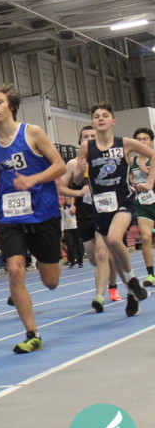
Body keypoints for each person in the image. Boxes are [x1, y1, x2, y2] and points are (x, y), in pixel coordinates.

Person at [0, 84, 65, 353]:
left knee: (51, 281)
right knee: (14, 270)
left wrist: (33, 179)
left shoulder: (32, 132)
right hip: (11, 216)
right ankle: (32, 333)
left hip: (43, 213)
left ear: (10, 106)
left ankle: (39, 268)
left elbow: (59, 165)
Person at [73, 103, 155, 316]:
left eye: (105, 115)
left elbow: (153, 155)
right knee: (115, 249)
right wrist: (79, 171)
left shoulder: (125, 143)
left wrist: (150, 182)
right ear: (93, 122)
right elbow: (77, 180)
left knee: (114, 239)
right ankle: (132, 290)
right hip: (101, 206)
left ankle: (132, 281)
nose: (100, 118)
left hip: (123, 200)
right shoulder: (86, 148)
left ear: (113, 121)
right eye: (96, 116)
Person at [58, 125, 116, 312]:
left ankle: (103, 293)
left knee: (102, 254)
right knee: (93, 258)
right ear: (79, 141)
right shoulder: (73, 163)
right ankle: (109, 279)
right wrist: (78, 192)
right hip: (84, 215)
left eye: (93, 136)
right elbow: (62, 188)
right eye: (85, 136)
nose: (89, 139)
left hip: (105, 212)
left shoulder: (107, 159)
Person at [130, 127, 155, 286]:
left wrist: (148, 173)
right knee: (145, 237)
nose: (142, 142)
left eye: (145, 139)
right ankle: (151, 275)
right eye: (138, 139)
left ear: (151, 141)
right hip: (142, 203)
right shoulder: (132, 161)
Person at [60, 197, 83, 268]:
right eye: (65, 199)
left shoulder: (74, 207)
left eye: (67, 198)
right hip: (67, 228)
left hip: (75, 227)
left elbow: (78, 216)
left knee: (78, 244)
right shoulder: (63, 209)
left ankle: (80, 261)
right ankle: (72, 261)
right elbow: (63, 219)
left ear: (70, 199)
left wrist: (74, 213)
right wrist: (62, 230)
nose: (66, 200)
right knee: (70, 245)